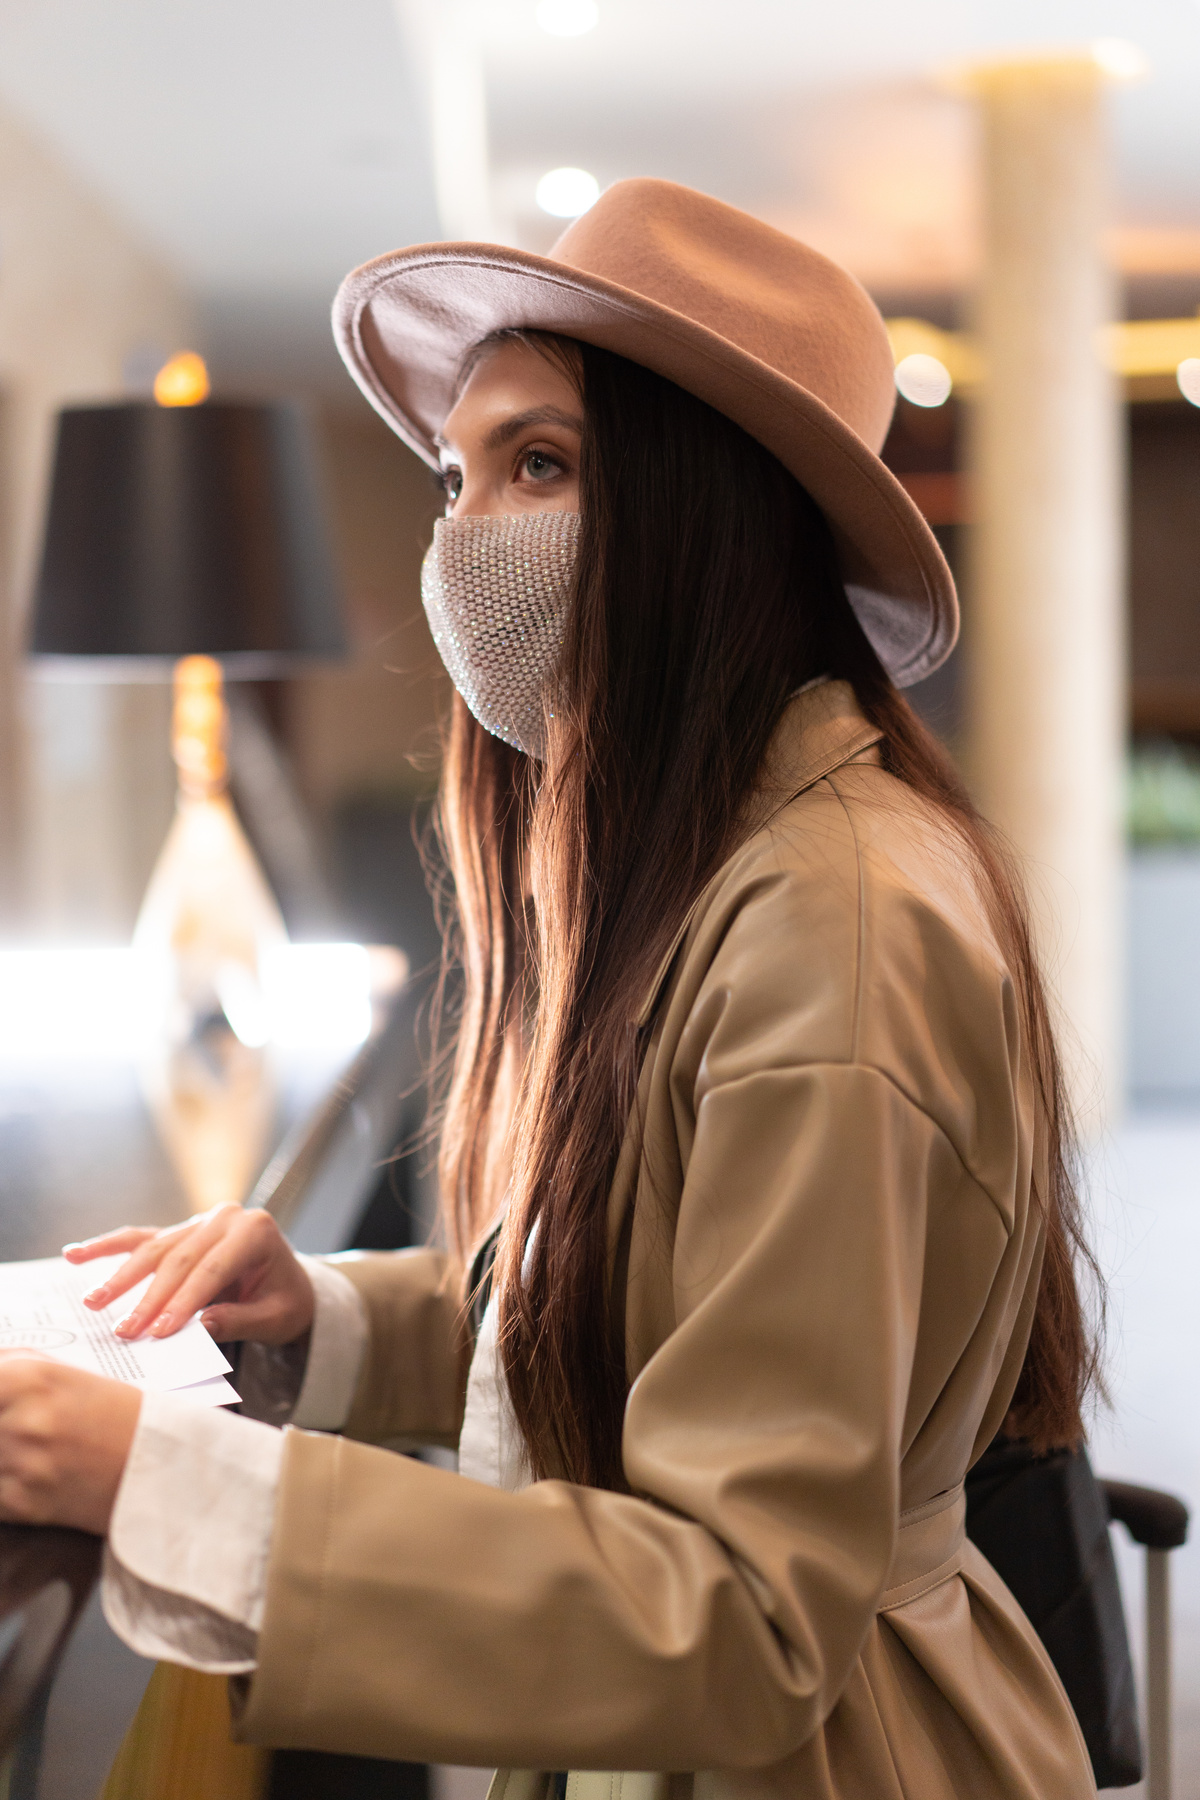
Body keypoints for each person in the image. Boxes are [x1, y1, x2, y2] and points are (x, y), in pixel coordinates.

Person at [0, 180, 1099, 1799]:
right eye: (458, 473)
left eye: (540, 465)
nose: (461, 542)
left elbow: (741, 1618)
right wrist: (331, 1318)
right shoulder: (726, 857)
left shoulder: (830, 925)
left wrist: (167, 1484)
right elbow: (660, 1309)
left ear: (706, 512)